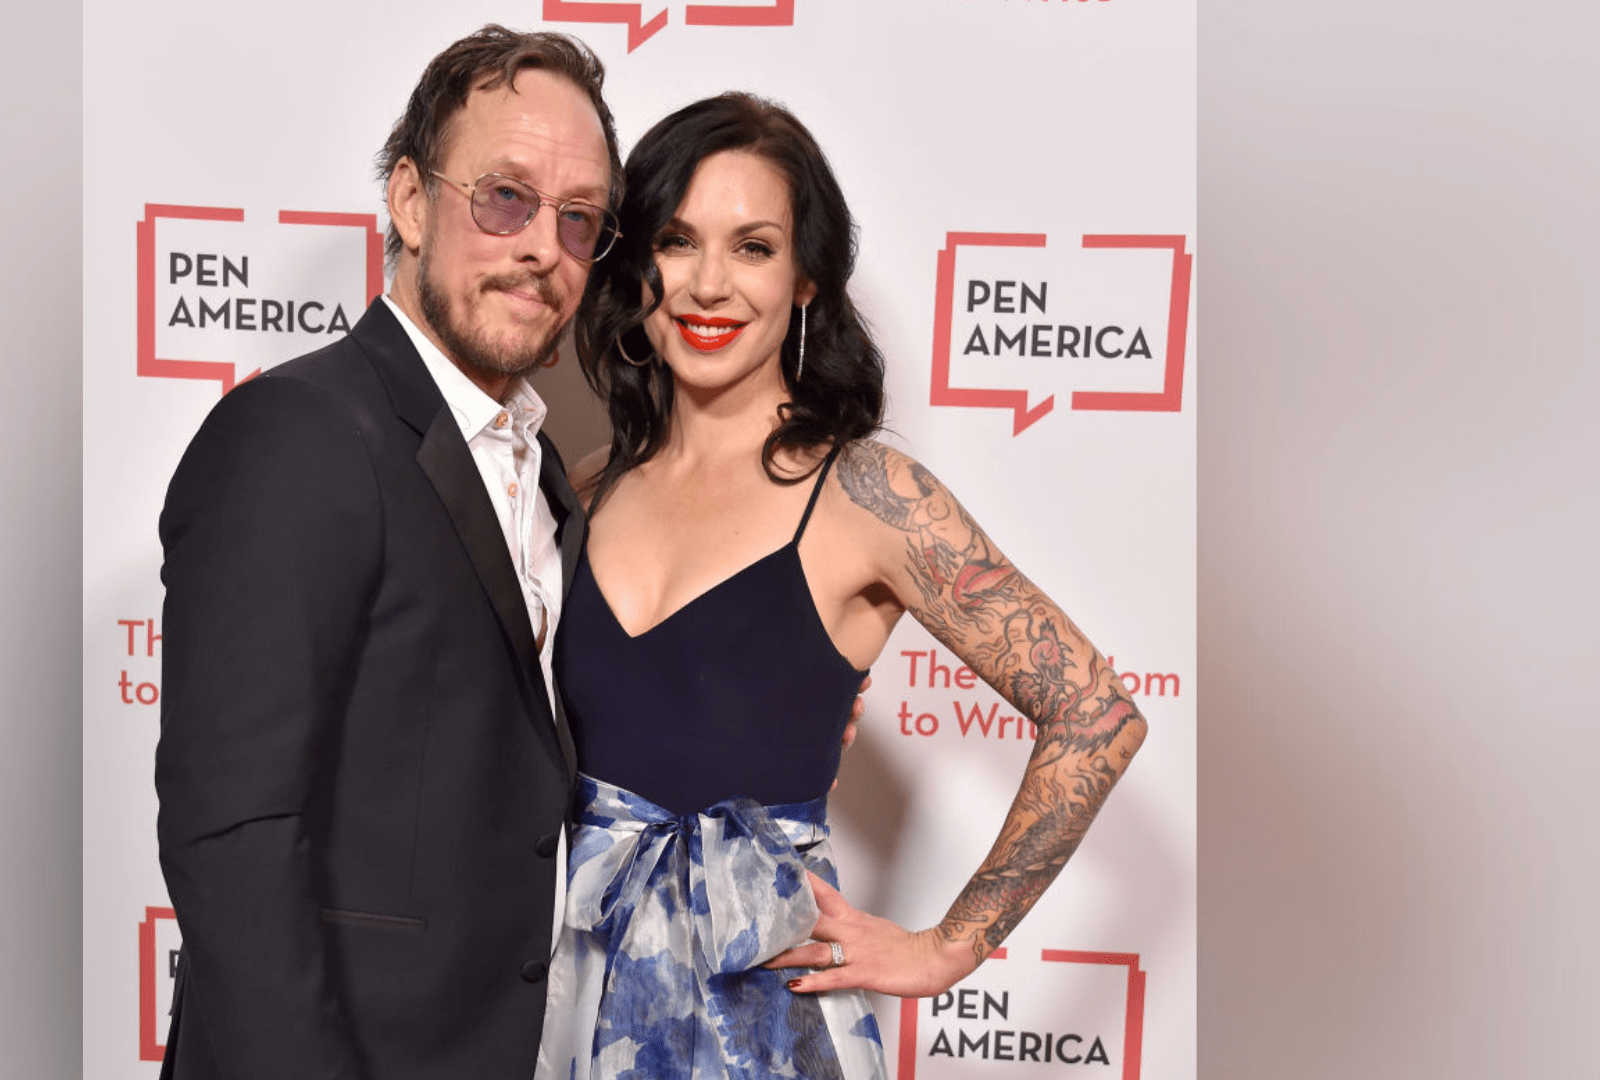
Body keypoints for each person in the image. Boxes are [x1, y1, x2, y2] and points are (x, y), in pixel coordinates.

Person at [535, 93, 1150, 1078]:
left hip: (760, 1027)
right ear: (636, 263)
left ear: (808, 276)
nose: (707, 283)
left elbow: (1095, 710)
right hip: (571, 991)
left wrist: (947, 946)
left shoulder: (866, 494)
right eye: (677, 239)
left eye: (753, 247)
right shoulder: (588, 484)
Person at [153, 26, 624, 1080]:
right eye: (504, 196)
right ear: (411, 201)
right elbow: (231, 831)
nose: (543, 247)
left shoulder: (544, 471)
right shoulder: (298, 435)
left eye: (580, 219)